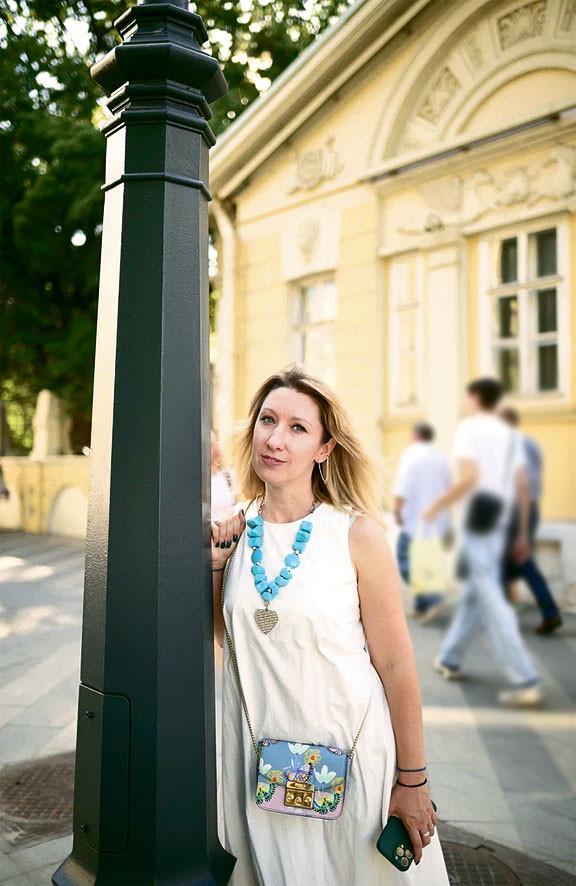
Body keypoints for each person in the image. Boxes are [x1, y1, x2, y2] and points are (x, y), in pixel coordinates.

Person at [211, 363, 449, 885]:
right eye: (268, 420)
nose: (275, 439)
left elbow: (396, 665)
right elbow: (228, 640)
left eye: (298, 428)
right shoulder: (237, 528)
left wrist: (413, 781)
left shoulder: (357, 535)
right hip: (263, 766)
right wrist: (215, 565)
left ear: (324, 448)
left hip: (352, 762)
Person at [423, 377, 545, 708]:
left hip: (479, 517)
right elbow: (522, 485)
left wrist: (437, 505)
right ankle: (450, 658)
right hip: (502, 518)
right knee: (477, 593)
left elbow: (471, 478)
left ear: (476, 398)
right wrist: (522, 533)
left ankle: (526, 679)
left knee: (490, 597)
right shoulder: (510, 433)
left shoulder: (470, 428)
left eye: (468, 398)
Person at [498, 407, 562, 635]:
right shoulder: (530, 444)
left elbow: (522, 486)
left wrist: (522, 533)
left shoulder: (510, 447)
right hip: (529, 509)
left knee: (517, 561)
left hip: (517, 510)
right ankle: (505, 617)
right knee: (511, 562)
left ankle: (547, 613)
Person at [393, 423, 452, 622]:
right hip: (436, 521)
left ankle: (432, 598)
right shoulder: (440, 457)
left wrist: (397, 510)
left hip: (414, 520)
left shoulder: (412, 454)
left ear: (416, 435)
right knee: (427, 561)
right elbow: (448, 489)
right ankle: (421, 607)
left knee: (405, 560)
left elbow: (402, 487)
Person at [211, 428, 238, 521]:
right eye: (210, 445)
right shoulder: (200, 480)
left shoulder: (228, 475)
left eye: (216, 442)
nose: (216, 448)